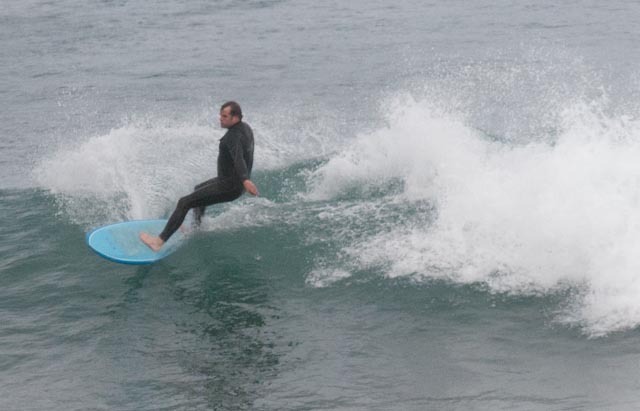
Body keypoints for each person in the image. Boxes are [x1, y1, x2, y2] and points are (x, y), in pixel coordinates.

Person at [140, 101, 258, 251]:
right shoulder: (245, 128)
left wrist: (245, 179)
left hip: (230, 185)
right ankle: (197, 228)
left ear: (235, 118)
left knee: (184, 202)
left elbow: (238, 158)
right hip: (232, 182)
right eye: (220, 115)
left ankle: (158, 242)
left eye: (224, 116)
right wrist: (244, 180)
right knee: (198, 189)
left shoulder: (232, 137)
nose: (220, 118)